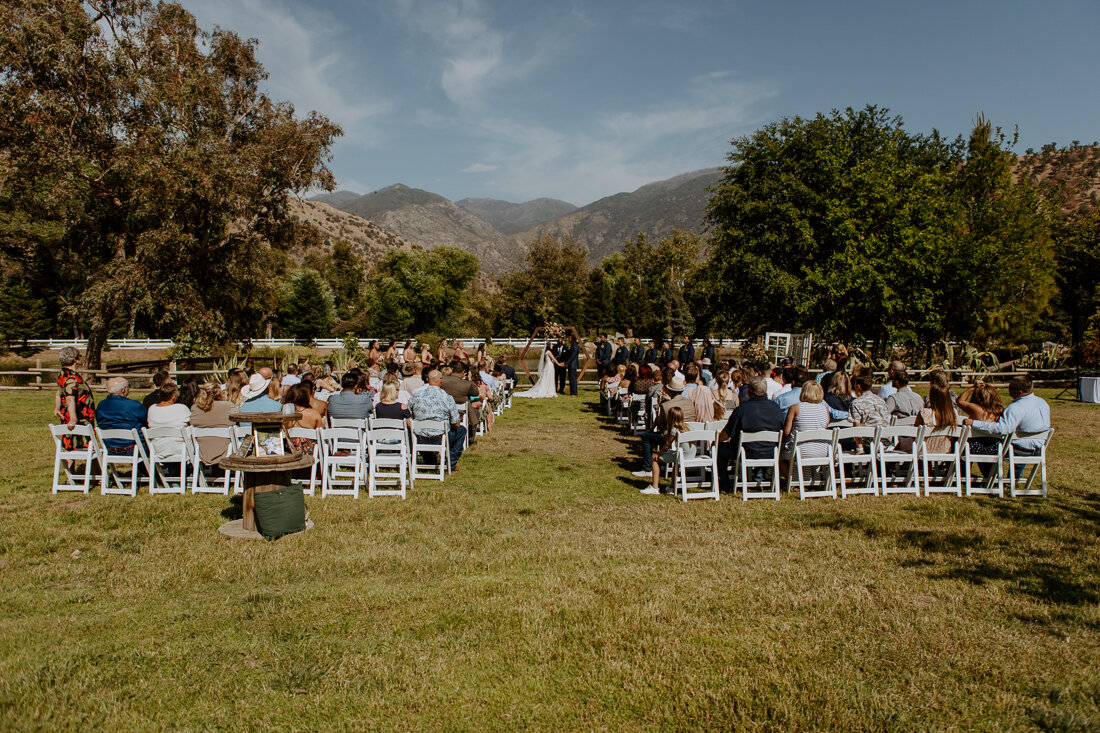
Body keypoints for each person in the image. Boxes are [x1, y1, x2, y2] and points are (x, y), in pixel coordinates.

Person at [963, 375, 1051, 474]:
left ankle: (989, 476)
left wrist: (974, 423)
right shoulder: (1042, 403)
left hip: (1020, 450)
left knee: (987, 444)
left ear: (1019, 392)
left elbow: (1001, 429)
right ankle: (1014, 478)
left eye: (1010, 388)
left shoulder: (1015, 407)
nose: (1008, 390)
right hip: (1040, 448)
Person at [717, 377, 784, 490]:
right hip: (771, 451)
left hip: (746, 451)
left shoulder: (742, 409)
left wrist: (716, 440)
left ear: (750, 391)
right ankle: (759, 478)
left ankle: (723, 481)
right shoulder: (776, 408)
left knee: (719, 449)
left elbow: (727, 434)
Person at [632, 375, 694, 477]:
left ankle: (648, 468)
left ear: (669, 390)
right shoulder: (690, 403)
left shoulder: (666, 406)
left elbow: (660, 425)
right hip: (688, 437)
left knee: (646, 436)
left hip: (671, 437)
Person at [409, 369, 467, 469]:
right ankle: (451, 463)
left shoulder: (416, 395)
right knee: (461, 430)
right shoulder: (446, 397)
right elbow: (456, 423)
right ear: (441, 380)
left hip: (419, 437)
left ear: (428, 380)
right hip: (439, 438)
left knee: (418, 431)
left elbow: (408, 415)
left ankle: (430, 460)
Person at [781, 381, 832, 478]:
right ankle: (808, 477)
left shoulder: (795, 407)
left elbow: (787, 431)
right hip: (822, 450)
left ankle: (792, 480)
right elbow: (824, 428)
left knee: (780, 458)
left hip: (800, 450)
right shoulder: (825, 409)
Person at [642, 406, 692, 495]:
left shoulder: (674, 429)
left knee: (654, 459)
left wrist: (658, 453)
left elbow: (667, 445)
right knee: (675, 463)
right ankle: (672, 487)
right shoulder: (687, 427)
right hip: (691, 454)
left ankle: (655, 487)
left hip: (682, 454)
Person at [54, 346, 96, 450]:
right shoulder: (72, 378)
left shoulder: (62, 374)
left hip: (67, 414)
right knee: (89, 446)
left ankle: (69, 467)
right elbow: (69, 398)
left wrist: (57, 407)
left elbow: (59, 392)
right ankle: (94, 466)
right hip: (80, 415)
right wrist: (73, 418)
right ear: (75, 359)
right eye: (79, 356)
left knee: (69, 445)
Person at [95, 377, 147, 454]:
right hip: (133, 448)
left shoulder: (101, 406)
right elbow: (147, 420)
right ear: (123, 390)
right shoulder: (134, 405)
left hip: (109, 448)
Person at [957, 380, 1006, 459]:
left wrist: (973, 387)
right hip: (994, 448)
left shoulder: (976, 409)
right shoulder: (1000, 410)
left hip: (975, 447)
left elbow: (959, 401)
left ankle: (962, 470)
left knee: (958, 444)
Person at [190, 382, 236, 464]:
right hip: (226, 449)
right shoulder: (228, 406)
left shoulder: (195, 407)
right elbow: (237, 421)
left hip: (203, 450)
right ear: (219, 392)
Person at [146, 381, 190, 456]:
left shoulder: (152, 409)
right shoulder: (181, 408)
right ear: (173, 397)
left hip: (158, 449)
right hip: (180, 449)